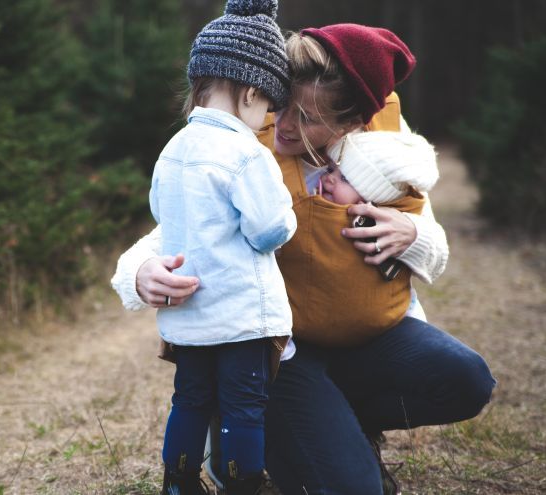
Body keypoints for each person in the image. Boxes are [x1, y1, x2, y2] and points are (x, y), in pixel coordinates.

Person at [112, 23, 496, 495]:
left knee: (467, 380)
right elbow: (176, 226)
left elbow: (434, 250)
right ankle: (246, 419)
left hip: (368, 338)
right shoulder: (245, 140)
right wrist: (138, 273)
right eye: (283, 105)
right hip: (280, 351)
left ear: (353, 120)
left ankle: (329, 425)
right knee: (355, 489)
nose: (287, 125)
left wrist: (412, 233)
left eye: (309, 117)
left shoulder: (384, 149)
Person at [150, 1, 296, 493]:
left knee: (189, 399)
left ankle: (178, 481)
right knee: (242, 406)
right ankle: (243, 482)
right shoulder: (245, 152)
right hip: (239, 316)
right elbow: (268, 229)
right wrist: (288, 211)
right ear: (252, 93)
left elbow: (160, 210)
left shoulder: (173, 149)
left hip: (189, 315)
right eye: (268, 109)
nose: (266, 121)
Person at [280, 130, 440, 346]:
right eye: (331, 170)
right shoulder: (301, 195)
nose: (328, 179)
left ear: (372, 198)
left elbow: (435, 261)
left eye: (344, 178)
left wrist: (415, 233)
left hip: (385, 325)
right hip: (307, 330)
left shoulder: (385, 219)